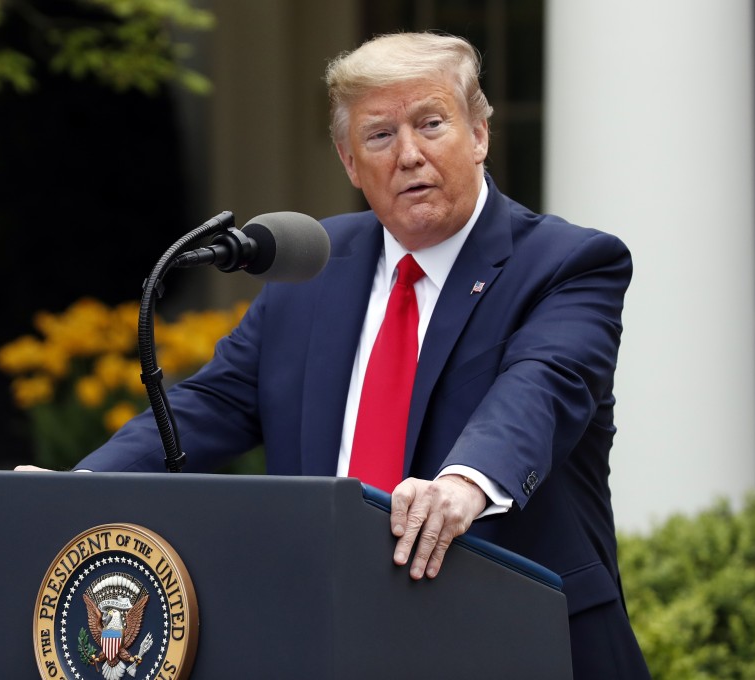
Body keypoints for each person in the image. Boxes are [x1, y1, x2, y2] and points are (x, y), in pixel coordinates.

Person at [53, 32, 650, 678]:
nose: (410, 155)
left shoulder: (567, 264)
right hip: (333, 641)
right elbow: (216, 400)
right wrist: (78, 490)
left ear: (478, 134)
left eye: (431, 124)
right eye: (380, 136)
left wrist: (464, 482)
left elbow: (540, 388)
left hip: (516, 640)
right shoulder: (315, 265)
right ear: (348, 159)